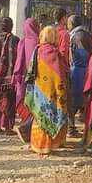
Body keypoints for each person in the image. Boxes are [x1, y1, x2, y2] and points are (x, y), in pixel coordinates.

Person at [23, 26, 70, 156]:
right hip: (52, 92)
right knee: (54, 114)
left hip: (39, 91)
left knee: (40, 115)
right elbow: (60, 75)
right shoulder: (55, 54)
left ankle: (38, 144)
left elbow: (30, 72)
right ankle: (54, 142)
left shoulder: (37, 51)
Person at [12, 18, 40, 141]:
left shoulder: (22, 42)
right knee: (36, 107)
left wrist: (16, 76)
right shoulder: (39, 42)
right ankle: (27, 130)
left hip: (24, 78)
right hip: (37, 79)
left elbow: (19, 62)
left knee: (26, 104)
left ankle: (27, 129)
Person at [68, 14, 92, 136]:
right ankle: (87, 129)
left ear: (72, 24)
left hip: (76, 71)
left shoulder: (73, 36)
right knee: (86, 99)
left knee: (73, 100)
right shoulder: (87, 34)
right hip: (87, 70)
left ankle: (71, 127)